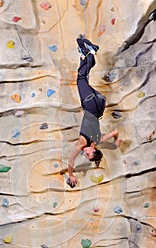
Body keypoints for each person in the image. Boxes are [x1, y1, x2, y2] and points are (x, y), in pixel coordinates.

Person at [67, 35, 122, 188]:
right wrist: (71, 175)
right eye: (88, 153)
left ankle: (83, 53)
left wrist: (116, 141)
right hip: (91, 105)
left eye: (85, 155)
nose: (84, 153)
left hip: (100, 104)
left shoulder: (99, 140)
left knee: (84, 77)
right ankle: (91, 52)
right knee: (80, 79)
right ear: (94, 149)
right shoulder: (81, 144)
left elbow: (115, 131)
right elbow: (71, 161)